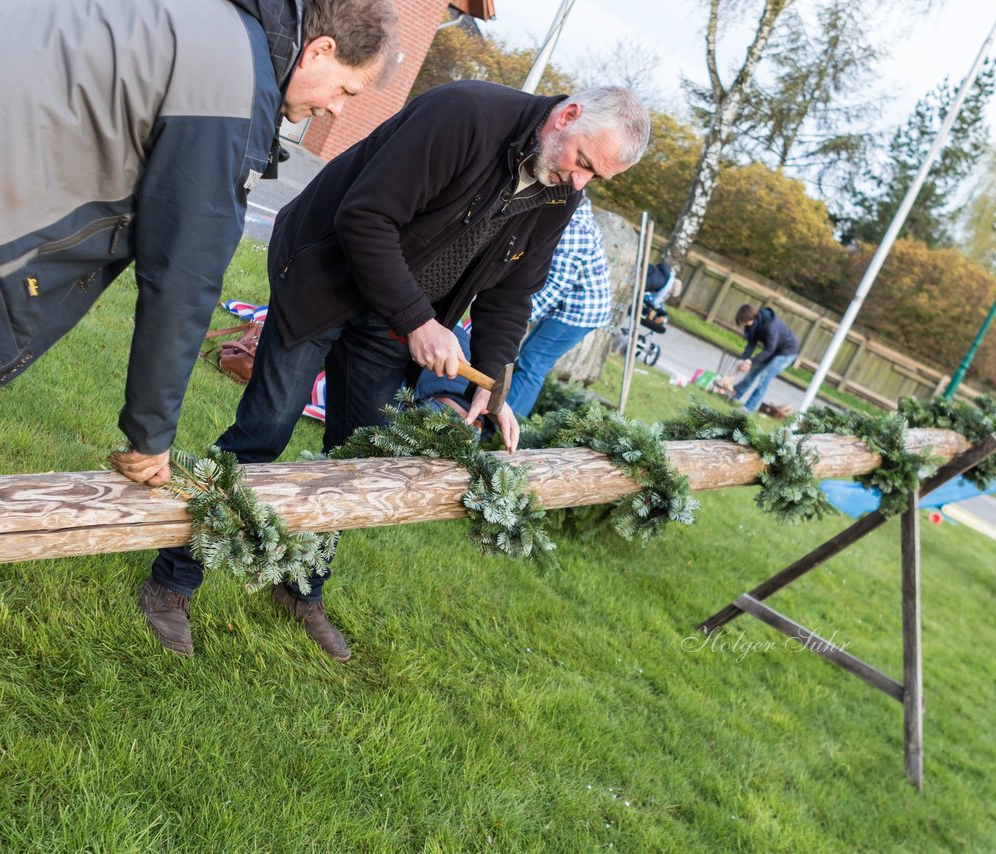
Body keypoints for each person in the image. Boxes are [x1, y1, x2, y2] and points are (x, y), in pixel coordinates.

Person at [0, 0, 397, 703]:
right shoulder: (231, 76)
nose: (335, 109)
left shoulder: (235, 45)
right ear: (320, 49)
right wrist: (151, 435)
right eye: (347, 90)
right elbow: (183, 270)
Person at [143, 82, 650, 661]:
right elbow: (366, 217)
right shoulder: (463, 116)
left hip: (391, 321)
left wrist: (495, 384)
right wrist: (418, 321)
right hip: (321, 278)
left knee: (355, 457)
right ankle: (172, 583)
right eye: (582, 162)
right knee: (265, 430)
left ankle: (301, 587)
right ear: (568, 116)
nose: (580, 182)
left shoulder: (561, 194)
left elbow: (512, 293)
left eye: (596, 177)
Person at [504, 195, 612, 418]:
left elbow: (556, 285)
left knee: (532, 363)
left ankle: (501, 427)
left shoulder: (575, 229)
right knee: (527, 356)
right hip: (573, 305)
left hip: (578, 313)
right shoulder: (572, 218)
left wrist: (518, 316)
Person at [731, 304, 800, 412]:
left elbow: (769, 349)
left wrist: (751, 361)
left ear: (752, 318)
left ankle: (748, 408)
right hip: (773, 349)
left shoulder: (770, 324)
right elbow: (751, 344)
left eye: (745, 323)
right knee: (753, 372)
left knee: (765, 377)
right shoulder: (753, 326)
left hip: (787, 352)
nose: (745, 326)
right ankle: (734, 397)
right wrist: (744, 359)